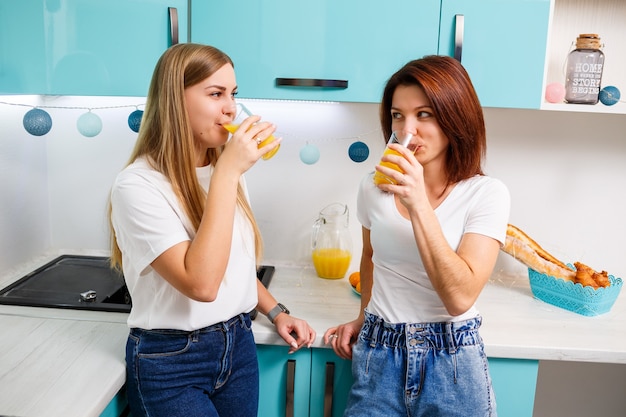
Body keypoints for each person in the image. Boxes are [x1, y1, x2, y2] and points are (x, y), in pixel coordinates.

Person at [108, 43, 316, 417]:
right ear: (175, 100)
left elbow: (231, 266)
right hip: (170, 362)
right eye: (216, 94)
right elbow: (202, 284)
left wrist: (277, 312)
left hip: (237, 346)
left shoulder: (223, 168)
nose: (231, 108)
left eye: (233, 94)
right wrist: (228, 173)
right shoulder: (138, 186)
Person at [324, 55, 510, 417]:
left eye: (424, 114)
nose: (408, 129)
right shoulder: (372, 186)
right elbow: (371, 257)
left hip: (453, 360)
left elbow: (459, 296)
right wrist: (365, 317)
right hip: (379, 353)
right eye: (398, 115)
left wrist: (418, 202)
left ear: (456, 116)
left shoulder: (486, 194)